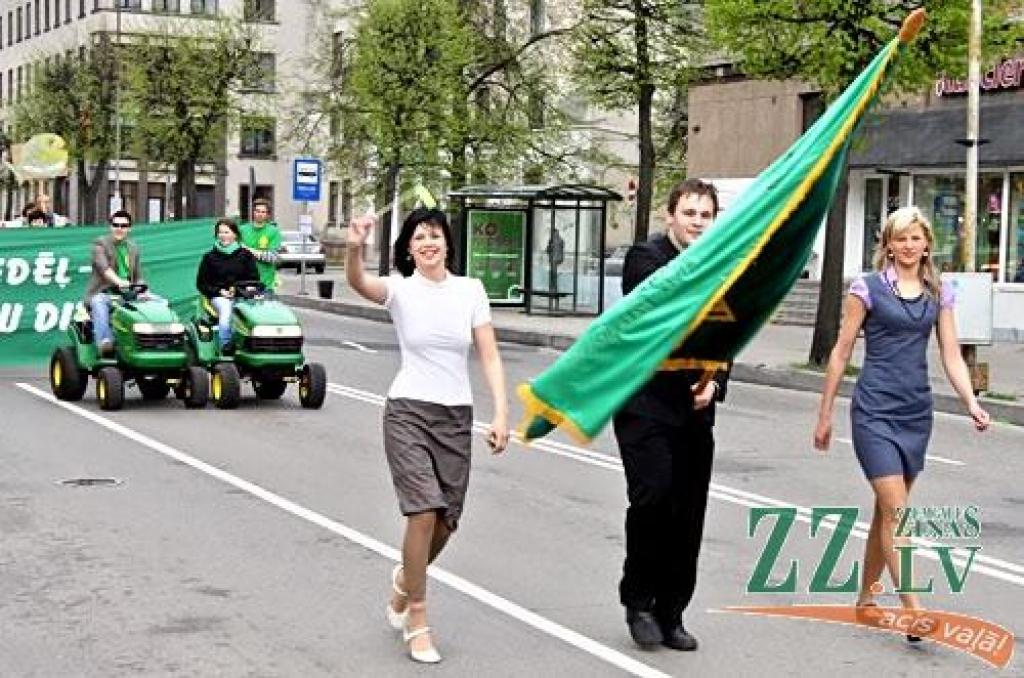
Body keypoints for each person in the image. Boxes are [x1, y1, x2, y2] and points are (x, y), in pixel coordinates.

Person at [814, 206, 990, 636]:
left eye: (916, 238)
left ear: (926, 243)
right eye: (900, 238)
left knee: (886, 513)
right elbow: (841, 351)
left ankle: (866, 598)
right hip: (873, 410)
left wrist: (970, 400)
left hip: (915, 411)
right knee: (897, 511)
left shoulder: (938, 292)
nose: (909, 246)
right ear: (888, 245)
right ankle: (913, 609)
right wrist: (825, 414)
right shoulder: (867, 288)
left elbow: (951, 352)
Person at [346, 208, 510, 665]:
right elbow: (359, 283)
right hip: (408, 412)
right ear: (409, 247)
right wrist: (355, 246)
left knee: (446, 523)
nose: (428, 243)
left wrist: (500, 412)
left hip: (455, 417)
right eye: (419, 237)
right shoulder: (399, 290)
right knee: (423, 512)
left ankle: (404, 582)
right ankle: (418, 617)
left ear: (446, 243)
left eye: (435, 235)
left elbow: (490, 356)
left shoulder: (470, 291)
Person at [612, 178, 729, 652]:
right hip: (645, 405)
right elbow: (665, 307)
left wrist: (716, 383)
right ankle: (638, 602)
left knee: (687, 514)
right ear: (670, 216)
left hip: (696, 412)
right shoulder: (646, 258)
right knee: (653, 499)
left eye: (706, 215)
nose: (697, 222)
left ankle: (671, 611)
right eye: (689, 213)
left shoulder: (724, 267)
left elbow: (727, 334)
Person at [84, 210, 148, 356]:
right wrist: (119, 282)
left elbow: (138, 276)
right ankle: (105, 343)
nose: (119, 228)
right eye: (116, 225)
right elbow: (104, 269)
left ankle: (158, 344)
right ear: (110, 227)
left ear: (129, 228)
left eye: (123, 226)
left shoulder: (133, 248)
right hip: (104, 293)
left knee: (160, 302)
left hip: (127, 295)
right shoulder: (100, 245)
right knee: (99, 302)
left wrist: (143, 288)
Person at [196, 218, 259, 350]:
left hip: (243, 295)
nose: (223, 235)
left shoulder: (246, 255)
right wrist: (220, 292)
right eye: (220, 232)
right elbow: (201, 283)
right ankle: (226, 346)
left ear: (235, 235)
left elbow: (254, 278)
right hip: (219, 297)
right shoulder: (209, 258)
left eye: (226, 232)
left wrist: (246, 289)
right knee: (227, 312)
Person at [240, 198, 282, 292]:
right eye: (257, 211)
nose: (260, 214)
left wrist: (249, 250)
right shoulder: (242, 229)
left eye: (263, 212)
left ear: (267, 214)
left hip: (266, 283)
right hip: (245, 282)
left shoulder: (273, 231)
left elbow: (273, 257)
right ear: (253, 212)